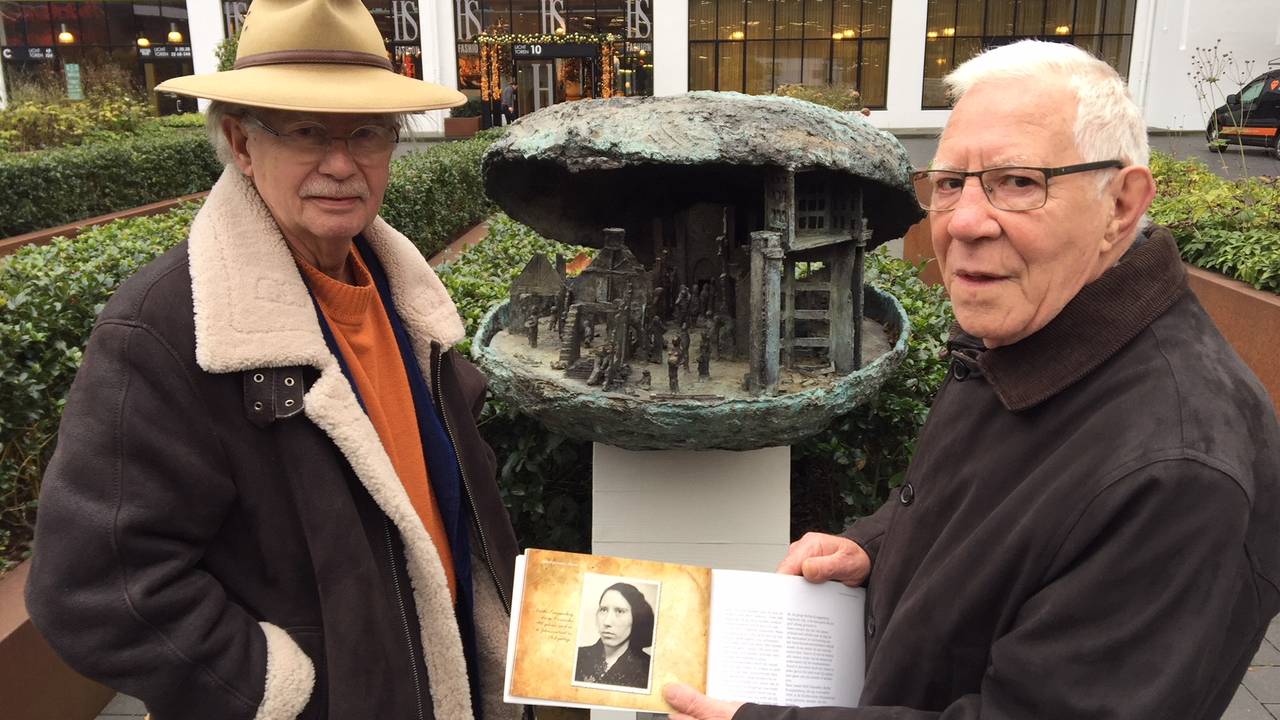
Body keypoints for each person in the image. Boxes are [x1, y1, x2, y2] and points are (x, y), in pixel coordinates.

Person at [665, 39, 1280, 720]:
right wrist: (875, 547)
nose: (963, 222)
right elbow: (987, 521)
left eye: (1019, 182)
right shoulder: (1027, 325)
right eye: (951, 181)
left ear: (1121, 206)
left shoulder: (1177, 474)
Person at [23, 2, 523, 719]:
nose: (342, 163)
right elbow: (95, 589)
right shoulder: (165, 327)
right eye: (306, 131)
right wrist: (279, 689)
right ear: (241, 141)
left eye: (367, 134)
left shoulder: (397, 290)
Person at [574, 583, 655, 689]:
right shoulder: (577, 656)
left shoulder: (649, 669)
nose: (607, 622)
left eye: (620, 611)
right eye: (603, 610)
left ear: (636, 618)